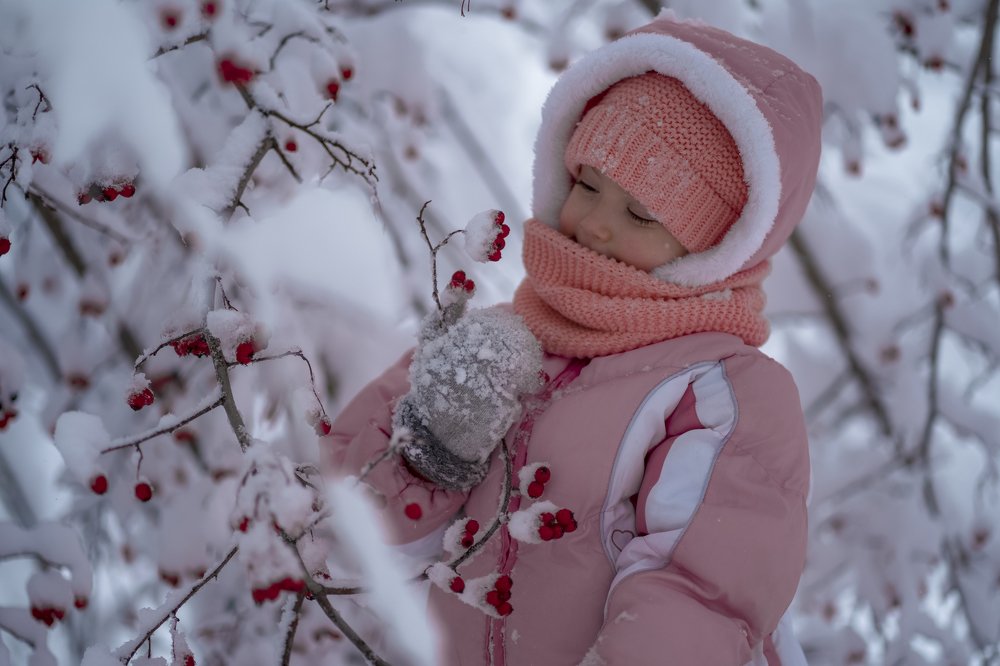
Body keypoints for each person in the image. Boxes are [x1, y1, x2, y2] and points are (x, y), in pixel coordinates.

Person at [325, 11, 821, 666]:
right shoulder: (497, 341)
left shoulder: (727, 393)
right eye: (587, 184)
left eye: (641, 213)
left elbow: (696, 600)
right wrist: (429, 451)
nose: (597, 225)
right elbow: (349, 548)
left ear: (713, 248)